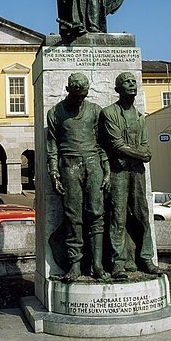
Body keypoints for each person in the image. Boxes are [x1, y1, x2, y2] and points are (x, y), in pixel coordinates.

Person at [46, 73, 110, 282]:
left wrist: (106, 169)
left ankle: (98, 264)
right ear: (68, 89)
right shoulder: (55, 113)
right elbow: (52, 147)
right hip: (69, 165)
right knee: (73, 216)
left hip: (93, 164)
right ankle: (75, 264)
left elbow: (102, 143)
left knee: (96, 214)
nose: (80, 100)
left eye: (83, 96)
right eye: (76, 96)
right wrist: (54, 173)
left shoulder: (95, 111)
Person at [100, 72, 163, 280]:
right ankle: (117, 262)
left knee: (142, 214)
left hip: (137, 172)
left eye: (133, 81)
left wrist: (140, 153)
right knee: (118, 216)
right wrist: (140, 154)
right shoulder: (109, 113)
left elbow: (146, 147)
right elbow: (116, 145)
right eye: (126, 82)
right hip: (118, 172)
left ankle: (146, 258)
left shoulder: (139, 117)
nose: (131, 84)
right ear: (117, 89)